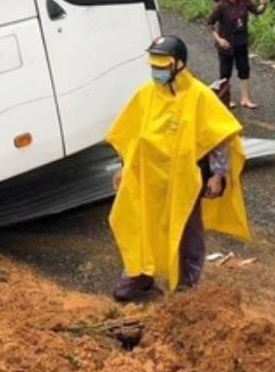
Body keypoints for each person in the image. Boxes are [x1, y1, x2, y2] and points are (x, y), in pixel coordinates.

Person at [106, 35, 250, 301]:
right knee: (138, 223)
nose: (156, 71)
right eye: (154, 65)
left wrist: (218, 175)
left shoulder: (199, 96)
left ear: (179, 65)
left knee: (186, 230)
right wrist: (123, 167)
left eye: (162, 66)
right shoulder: (145, 94)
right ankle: (138, 278)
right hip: (147, 179)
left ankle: (186, 286)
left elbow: (219, 138)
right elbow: (130, 136)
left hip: (183, 180)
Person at [206, 0, 269, 109]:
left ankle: (245, 99)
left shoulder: (244, 0)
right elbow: (210, 24)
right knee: (225, 72)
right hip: (226, 44)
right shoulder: (221, 6)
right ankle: (225, 99)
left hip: (241, 41)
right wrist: (219, 39)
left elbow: (257, 11)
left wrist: (264, 4)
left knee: (244, 69)